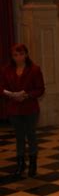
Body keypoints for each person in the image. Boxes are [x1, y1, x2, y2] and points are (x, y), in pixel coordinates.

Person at [0, 43, 45, 177]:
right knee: (19, 136)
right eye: (15, 55)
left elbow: (40, 89)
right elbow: (1, 87)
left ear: (26, 55)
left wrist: (27, 95)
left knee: (31, 135)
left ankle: (33, 164)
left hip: (30, 107)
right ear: (12, 57)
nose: (18, 57)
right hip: (14, 107)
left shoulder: (34, 69)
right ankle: (20, 163)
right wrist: (9, 94)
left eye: (21, 54)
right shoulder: (6, 70)